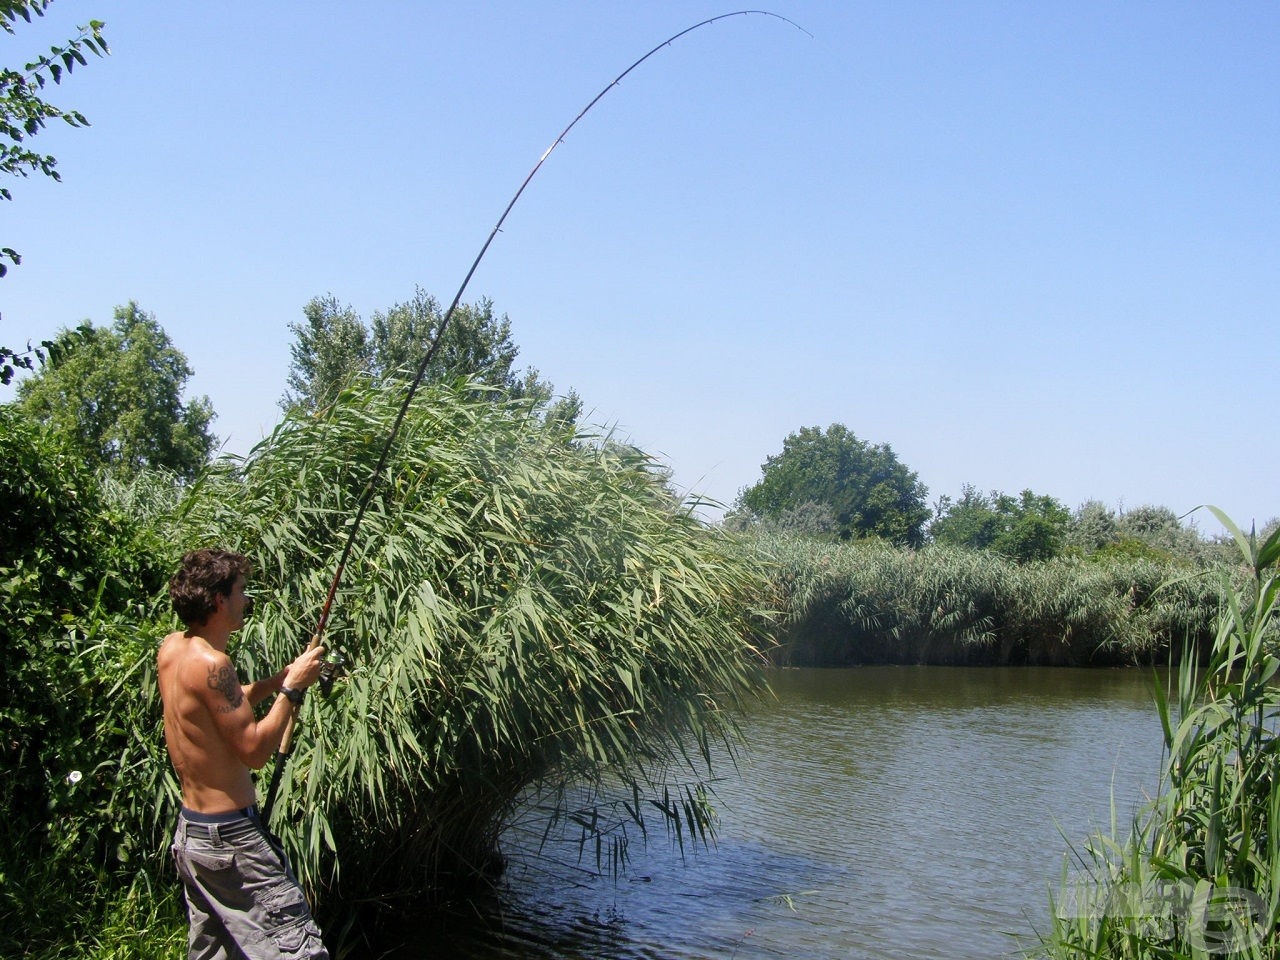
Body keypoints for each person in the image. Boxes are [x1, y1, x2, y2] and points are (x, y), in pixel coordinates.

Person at [159, 547, 329, 960]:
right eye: (241, 591)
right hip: (231, 842)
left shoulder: (174, 649)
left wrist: (279, 679)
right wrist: (292, 691)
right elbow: (254, 750)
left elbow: (224, 711)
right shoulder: (214, 663)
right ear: (219, 600)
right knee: (299, 953)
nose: (247, 600)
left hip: (194, 836)